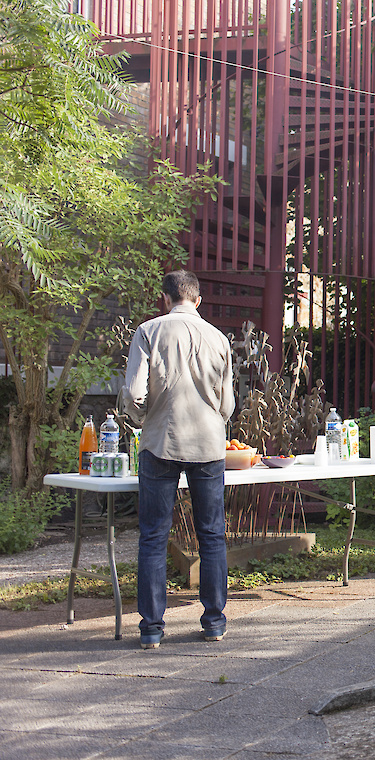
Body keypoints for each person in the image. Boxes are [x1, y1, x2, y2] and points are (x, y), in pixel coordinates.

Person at [120, 270, 234, 649]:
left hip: (160, 442)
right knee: (212, 535)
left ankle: (152, 628)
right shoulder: (219, 338)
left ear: (165, 298)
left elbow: (135, 394)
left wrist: (140, 421)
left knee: (153, 536)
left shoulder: (148, 332)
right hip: (208, 445)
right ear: (198, 300)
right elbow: (228, 405)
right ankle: (214, 622)